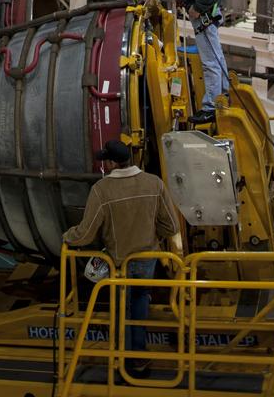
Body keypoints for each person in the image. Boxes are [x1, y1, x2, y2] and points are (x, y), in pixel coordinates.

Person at [62, 140, 179, 377]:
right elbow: (171, 225)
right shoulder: (154, 183)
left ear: (111, 163)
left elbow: (85, 234)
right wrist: (150, 231)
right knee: (140, 302)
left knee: (120, 310)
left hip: (119, 263)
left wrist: (67, 237)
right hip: (147, 259)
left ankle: (122, 362)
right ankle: (138, 359)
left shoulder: (102, 190)